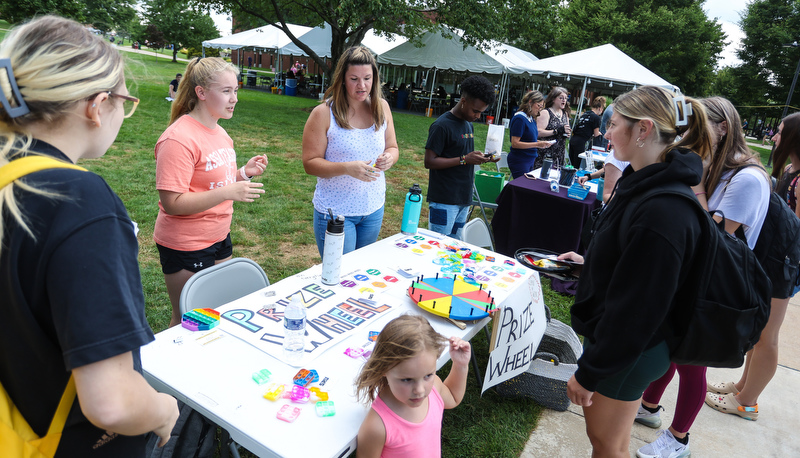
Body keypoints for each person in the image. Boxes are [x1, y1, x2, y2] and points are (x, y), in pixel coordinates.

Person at [0, 15, 179, 455]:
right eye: (125, 101)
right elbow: (112, 402)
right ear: (97, 106)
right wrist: (161, 408)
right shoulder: (81, 201)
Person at [558, 86, 712, 457]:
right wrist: (590, 264)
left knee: (606, 444)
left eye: (614, 124)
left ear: (643, 130)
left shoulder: (663, 209)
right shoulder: (645, 182)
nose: (606, 133)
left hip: (630, 349)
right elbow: (633, 262)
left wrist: (590, 372)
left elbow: (639, 309)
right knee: (615, 442)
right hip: (631, 346)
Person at [635, 97, 769, 458]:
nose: (687, 132)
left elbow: (714, 234)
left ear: (722, 127)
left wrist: (695, 182)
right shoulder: (717, 168)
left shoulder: (748, 178)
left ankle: (678, 440)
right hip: (693, 275)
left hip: (715, 287)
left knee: (691, 365)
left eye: (698, 124)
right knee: (671, 349)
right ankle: (648, 408)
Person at [154, 57, 269, 327]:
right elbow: (172, 203)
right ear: (201, 93)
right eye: (226, 91)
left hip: (219, 236)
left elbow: (214, 183)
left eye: (236, 90)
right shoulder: (178, 139)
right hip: (186, 244)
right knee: (188, 320)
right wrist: (230, 191)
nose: (234, 98)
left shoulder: (220, 132)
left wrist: (243, 173)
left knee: (218, 313)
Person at [705, 111, 800, 421]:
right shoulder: (790, 169)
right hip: (773, 256)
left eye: (781, 132)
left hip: (785, 262)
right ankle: (743, 386)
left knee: (768, 335)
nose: (774, 137)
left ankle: (748, 402)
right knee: (759, 331)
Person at [302, 46, 399, 257]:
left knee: (360, 272)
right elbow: (310, 163)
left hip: (373, 209)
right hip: (336, 212)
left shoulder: (381, 107)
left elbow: (393, 146)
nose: (362, 85)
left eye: (367, 78)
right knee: (340, 275)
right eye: (354, 78)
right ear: (342, 79)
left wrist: (389, 158)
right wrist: (347, 168)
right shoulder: (324, 113)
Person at [354, 315, 471, 457]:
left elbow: (453, 397)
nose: (420, 390)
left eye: (428, 375)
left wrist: (460, 365)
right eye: (407, 380)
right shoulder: (377, 427)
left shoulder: (434, 388)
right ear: (383, 369)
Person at [424, 75, 497, 240]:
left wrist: (482, 158)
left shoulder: (467, 122)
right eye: (476, 111)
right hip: (444, 200)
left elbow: (463, 155)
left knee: (455, 245)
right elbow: (429, 161)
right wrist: (464, 159)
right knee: (438, 244)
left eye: (481, 112)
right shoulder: (441, 125)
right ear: (463, 101)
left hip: (463, 197)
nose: (478, 116)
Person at [507, 90, 556, 179]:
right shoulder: (520, 118)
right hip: (520, 159)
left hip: (530, 158)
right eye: (538, 106)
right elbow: (515, 143)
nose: (539, 109)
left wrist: (541, 143)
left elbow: (528, 140)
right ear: (530, 102)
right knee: (522, 187)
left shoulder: (531, 119)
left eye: (541, 107)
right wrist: (537, 144)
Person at [534, 86, 572, 169]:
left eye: (566, 98)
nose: (564, 100)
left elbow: (566, 129)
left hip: (559, 153)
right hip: (545, 152)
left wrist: (567, 133)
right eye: (561, 98)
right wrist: (556, 131)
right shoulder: (545, 112)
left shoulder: (565, 113)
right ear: (553, 99)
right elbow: (538, 132)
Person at [569, 96, 606, 167]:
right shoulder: (596, 118)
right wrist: (600, 134)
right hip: (581, 142)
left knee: (572, 164)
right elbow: (596, 134)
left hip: (573, 139)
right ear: (600, 108)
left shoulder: (585, 114)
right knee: (578, 166)